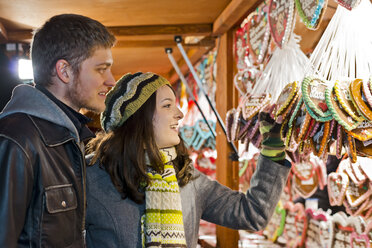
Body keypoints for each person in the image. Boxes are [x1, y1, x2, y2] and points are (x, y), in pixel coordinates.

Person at [85, 72, 291, 248]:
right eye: (167, 106)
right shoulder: (90, 176)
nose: (180, 114)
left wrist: (272, 148)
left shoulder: (187, 178)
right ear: (139, 117)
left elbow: (252, 213)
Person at [0, 14, 116, 247]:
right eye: (101, 69)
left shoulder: (73, 138)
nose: (111, 80)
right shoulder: (18, 139)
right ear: (64, 71)